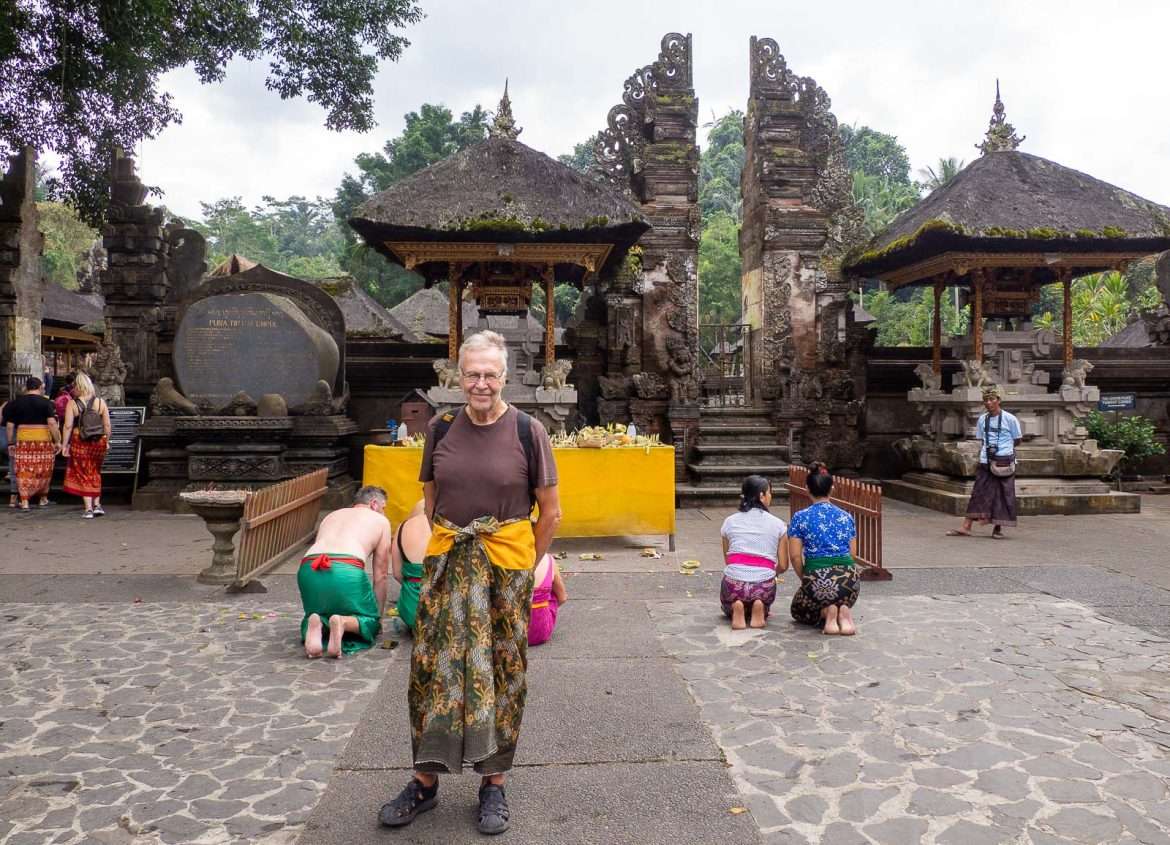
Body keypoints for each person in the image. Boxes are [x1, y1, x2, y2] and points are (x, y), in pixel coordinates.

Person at [380, 330, 561, 837]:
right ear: (459, 377)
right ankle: (424, 781)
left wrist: (523, 565)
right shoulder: (439, 430)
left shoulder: (529, 431)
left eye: (490, 374)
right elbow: (431, 502)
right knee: (433, 671)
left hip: (505, 570)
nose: (481, 383)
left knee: (502, 670)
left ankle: (494, 784)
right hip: (447, 565)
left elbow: (550, 513)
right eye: (472, 374)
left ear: (505, 377)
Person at [297, 485, 391, 659]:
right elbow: (381, 575)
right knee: (370, 621)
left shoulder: (331, 516)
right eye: (384, 508)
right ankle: (343, 622)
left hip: (309, 567)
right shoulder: (380, 521)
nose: (384, 513)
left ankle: (318, 623)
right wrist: (378, 617)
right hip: (346, 567)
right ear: (374, 504)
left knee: (319, 611)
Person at [788, 463, 860, 636]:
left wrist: (805, 577)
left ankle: (827, 613)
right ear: (832, 489)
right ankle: (842, 611)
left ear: (807, 489)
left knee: (799, 609)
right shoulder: (846, 516)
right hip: (849, 583)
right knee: (838, 597)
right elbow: (853, 554)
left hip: (817, 579)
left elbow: (795, 556)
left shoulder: (800, 517)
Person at [947, 386, 1021, 539]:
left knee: (1002, 495)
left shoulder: (1010, 419)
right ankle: (966, 526)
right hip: (986, 460)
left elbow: (1017, 439)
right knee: (978, 492)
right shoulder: (982, 419)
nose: (988, 403)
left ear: (998, 400)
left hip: (1004, 460)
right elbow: (982, 439)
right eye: (986, 400)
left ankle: (997, 528)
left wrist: (1004, 449)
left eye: (992, 399)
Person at [719, 475, 789, 629]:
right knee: (762, 594)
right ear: (762, 496)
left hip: (733, 584)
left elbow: (728, 560)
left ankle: (736, 607)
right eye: (770, 492)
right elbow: (783, 565)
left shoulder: (729, 521)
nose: (771, 496)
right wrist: (772, 572)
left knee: (730, 596)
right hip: (763, 585)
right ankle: (760, 607)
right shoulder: (778, 525)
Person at [2, 377, 61, 510]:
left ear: (27, 387)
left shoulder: (16, 403)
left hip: (23, 442)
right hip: (43, 442)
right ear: (40, 387)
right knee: (43, 470)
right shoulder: (46, 403)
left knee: (23, 471)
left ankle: (25, 502)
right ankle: (43, 499)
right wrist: (57, 441)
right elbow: (51, 423)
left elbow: (10, 425)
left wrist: (11, 443)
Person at [61, 373, 112, 518]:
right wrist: (106, 440)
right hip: (98, 441)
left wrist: (65, 445)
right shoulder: (101, 402)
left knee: (83, 473)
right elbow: (107, 424)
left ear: (77, 386)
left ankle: (88, 509)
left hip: (80, 440)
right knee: (95, 471)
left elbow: (68, 426)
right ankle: (98, 505)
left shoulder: (72, 404)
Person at [391, 498, 431, 632]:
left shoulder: (403, 527)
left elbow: (397, 574)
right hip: (441, 615)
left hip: (410, 612)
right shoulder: (448, 526)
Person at [527, 552, 568, 646]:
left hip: (508, 632)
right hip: (539, 631)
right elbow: (562, 597)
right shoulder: (548, 558)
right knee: (552, 591)